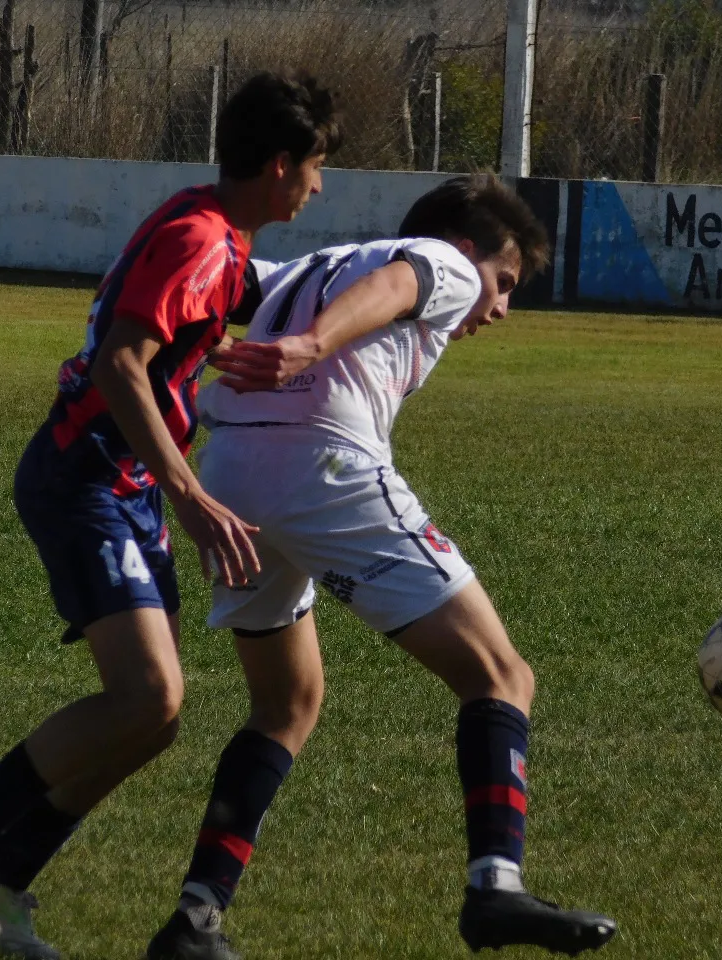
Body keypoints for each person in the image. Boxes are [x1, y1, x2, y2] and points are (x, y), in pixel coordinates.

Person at [0, 71, 341, 960]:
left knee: (154, 717)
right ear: (281, 164)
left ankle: (8, 872)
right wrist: (193, 496)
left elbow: (193, 328)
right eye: (317, 165)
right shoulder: (199, 239)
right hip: (87, 478)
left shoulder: (212, 228)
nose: (321, 184)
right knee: (148, 696)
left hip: (124, 483)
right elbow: (120, 364)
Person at [145, 174, 618, 960]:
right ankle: (496, 886)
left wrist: (215, 343)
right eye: (504, 282)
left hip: (229, 474)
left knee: (286, 704)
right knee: (502, 676)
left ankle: (195, 919)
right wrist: (310, 346)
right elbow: (403, 283)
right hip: (323, 467)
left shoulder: (310, 265)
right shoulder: (442, 260)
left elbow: (205, 287)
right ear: (465, 249)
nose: (501, 308)